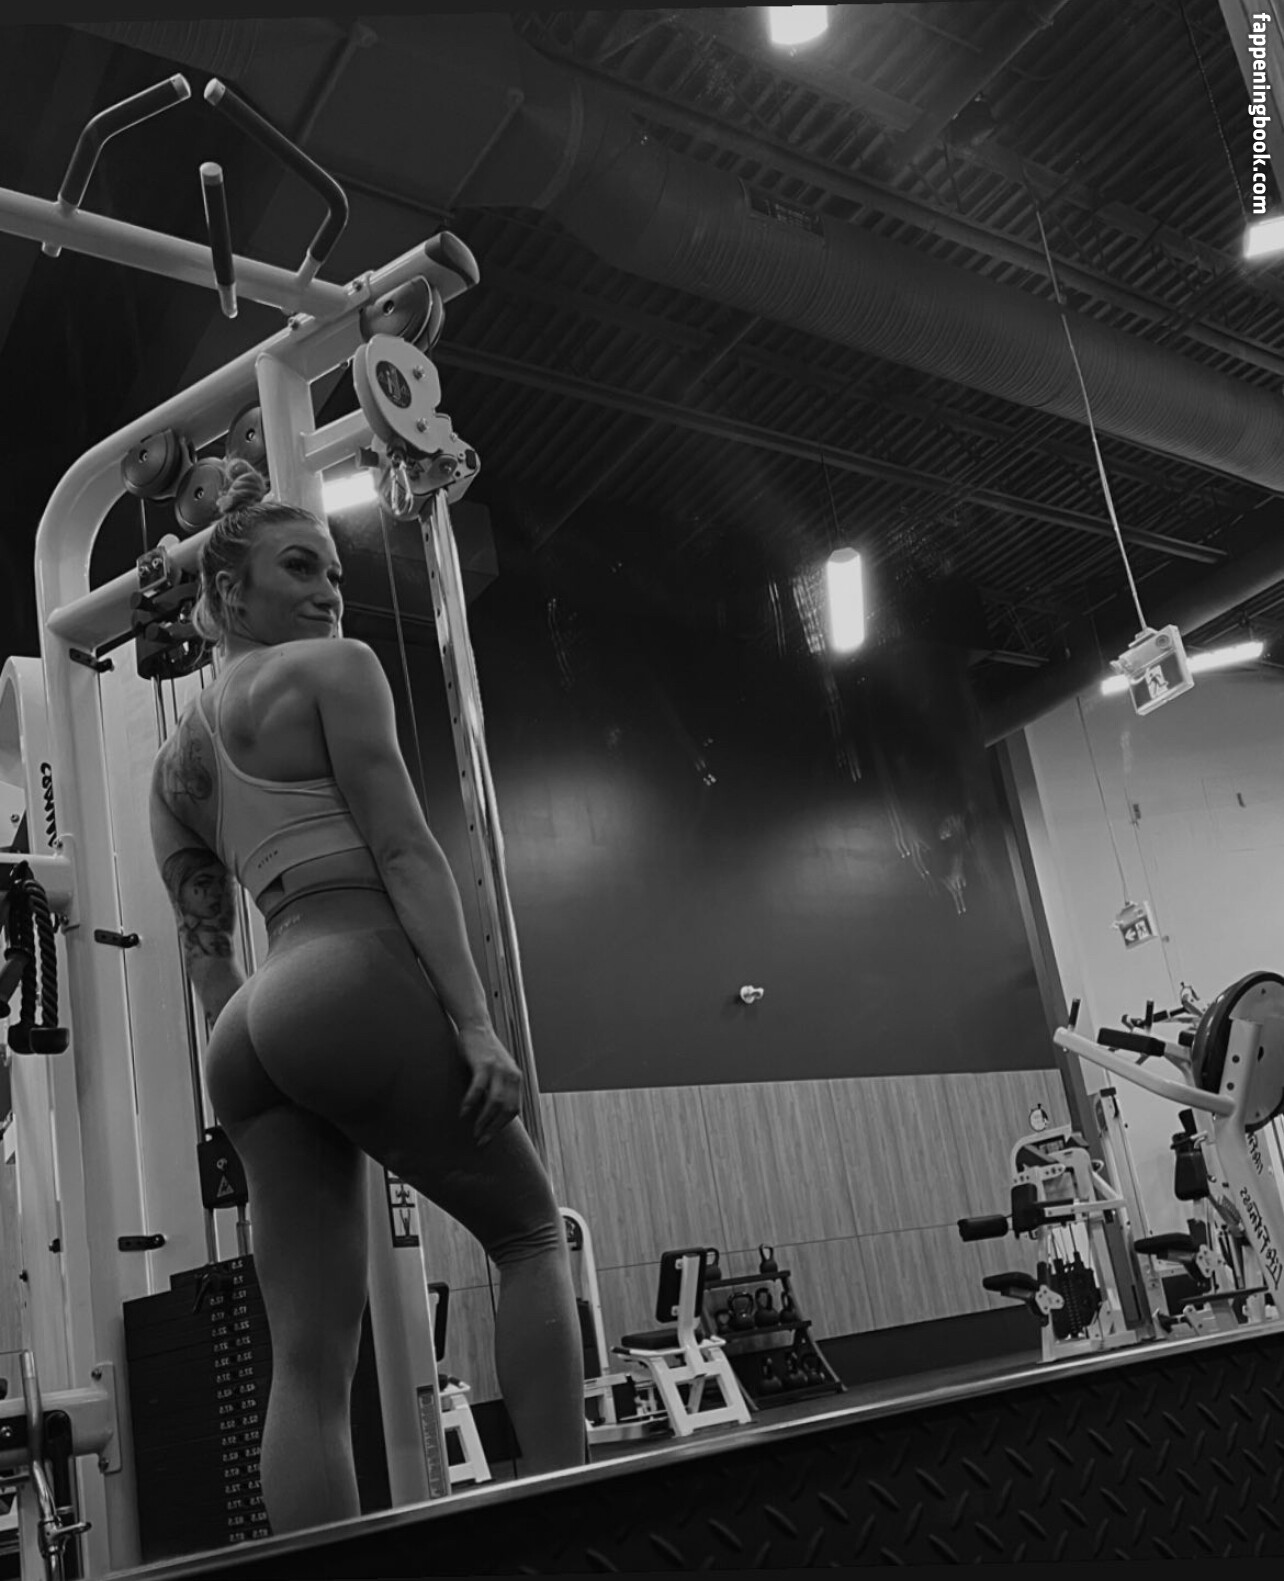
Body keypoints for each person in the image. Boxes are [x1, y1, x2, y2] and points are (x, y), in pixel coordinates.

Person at [148, 460, 586, 1535]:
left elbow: (208, 955)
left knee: (307, 1357)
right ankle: (576, 1533)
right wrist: (474, 1023)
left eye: (335, 574)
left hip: (250, 1027)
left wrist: (260, 1081)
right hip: (345, 962)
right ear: (229, 592)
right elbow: (403, 848)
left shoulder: (173, 763)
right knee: (531, 1235)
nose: (329, 592)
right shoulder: (336, 670)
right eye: (300, 568)